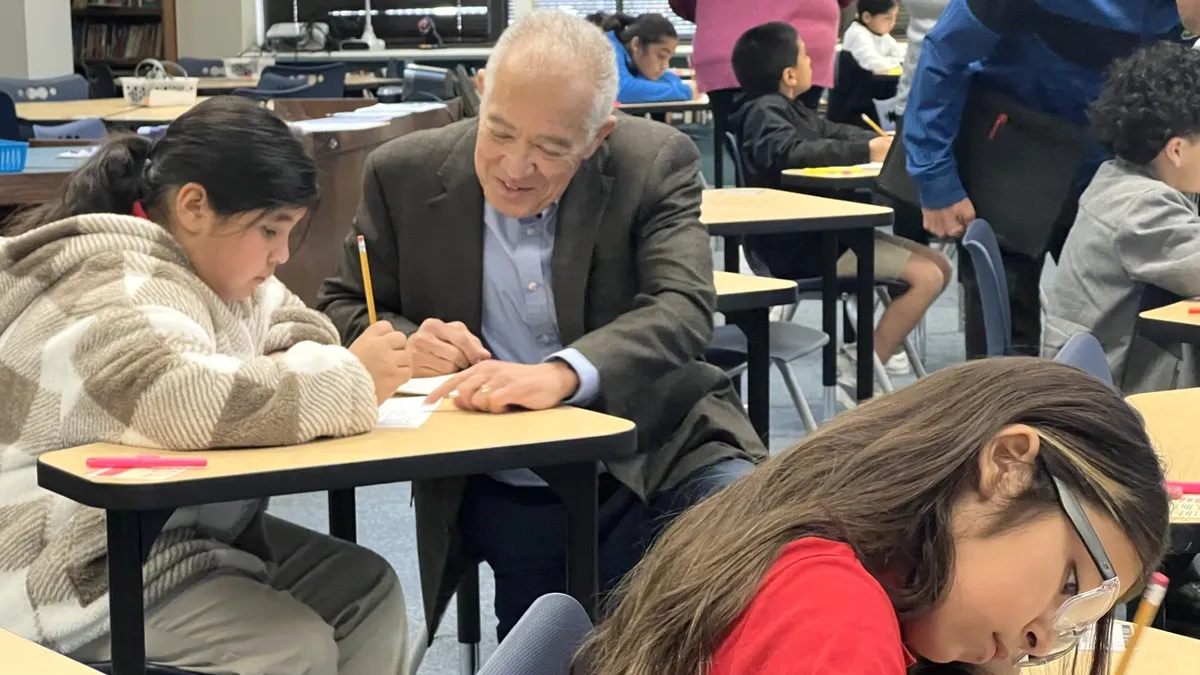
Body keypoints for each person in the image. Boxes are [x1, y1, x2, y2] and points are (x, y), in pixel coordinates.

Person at [317, 10, 765, 641]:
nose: (515, 167)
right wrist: (403, 340)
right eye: (498, 132)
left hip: (661, 444)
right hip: (507, 469)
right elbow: (341, 306)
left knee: (740, 586)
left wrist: (563, 374)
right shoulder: (402, 174)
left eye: (552, 149)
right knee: (551, 645)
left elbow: (684, 307)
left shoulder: (653, 161)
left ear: (597, 135)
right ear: (481, 90)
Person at [0, 97, 410, 674]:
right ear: (193, 206)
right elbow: (184, 399)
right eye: (270, 230)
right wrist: (349, 380)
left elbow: (295, 324)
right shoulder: (112, 276)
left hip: (164, 540)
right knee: (291, 646)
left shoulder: (211, 269)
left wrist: (320, 366)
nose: (281, 255)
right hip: (60, 565)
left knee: (368, 591)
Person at [574, 358, 1172, 675]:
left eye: (1080, 615)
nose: (1045, 637)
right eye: (1069, 583)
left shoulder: (826, 538)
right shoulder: (832, 618)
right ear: (1007, 465)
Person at [903, 0, 1196, 360]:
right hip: (1012, 156)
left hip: (1107, 174)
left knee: (1131, 327)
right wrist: (934, 180)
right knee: (1008, 344)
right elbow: (945, 54)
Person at [728, 22, 951, 405]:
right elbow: (788, 153)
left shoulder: (789, 108)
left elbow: (832, 131)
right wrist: (867, 152)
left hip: (832, 233)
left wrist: (878, 142)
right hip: (802, 246)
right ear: (789, 74)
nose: (813, 61)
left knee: (941, 269)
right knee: (927, 276)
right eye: (805, 55)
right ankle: (863, 364)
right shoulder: (763, 112)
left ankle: (868, 356)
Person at [1043, 43, 1200, 393]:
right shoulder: (1144, 206)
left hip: (1100, 372)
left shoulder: (1116, 175)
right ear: (1176, 150)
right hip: (1110, 396)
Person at [587, 12, 693, 104]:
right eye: (661, 56)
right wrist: (686, 91)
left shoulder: (631, 55)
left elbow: (666, 77)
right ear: (636, 45)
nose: (665, 66)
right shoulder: (608, 46)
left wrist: (676, 84)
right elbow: (623, 90)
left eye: (668, 58)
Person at [842, 0, 905, 74]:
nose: (893, 23)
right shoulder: (857, 34)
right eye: (887, 18)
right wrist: (897, 63)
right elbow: (873, 64)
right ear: (867, 17)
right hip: (858, 83)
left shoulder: (881, 34)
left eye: (895, 17)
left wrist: (897, 62)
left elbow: (902, 55)